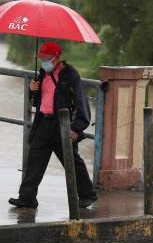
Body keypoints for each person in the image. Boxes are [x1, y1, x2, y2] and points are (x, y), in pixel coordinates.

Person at [9, 41, 98, 209]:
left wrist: (76, 128)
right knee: (35, 160)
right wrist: (33, 90)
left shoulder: (70, 75)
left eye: (46, 58)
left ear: (57, 58)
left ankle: (88, 195)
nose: (43, 61)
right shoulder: (43, 72)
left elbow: (81, 102)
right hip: (43, 121)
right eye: (41, 58)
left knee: (71, 161)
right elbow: (38, 101)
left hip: (62, 124)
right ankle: (27, 197)